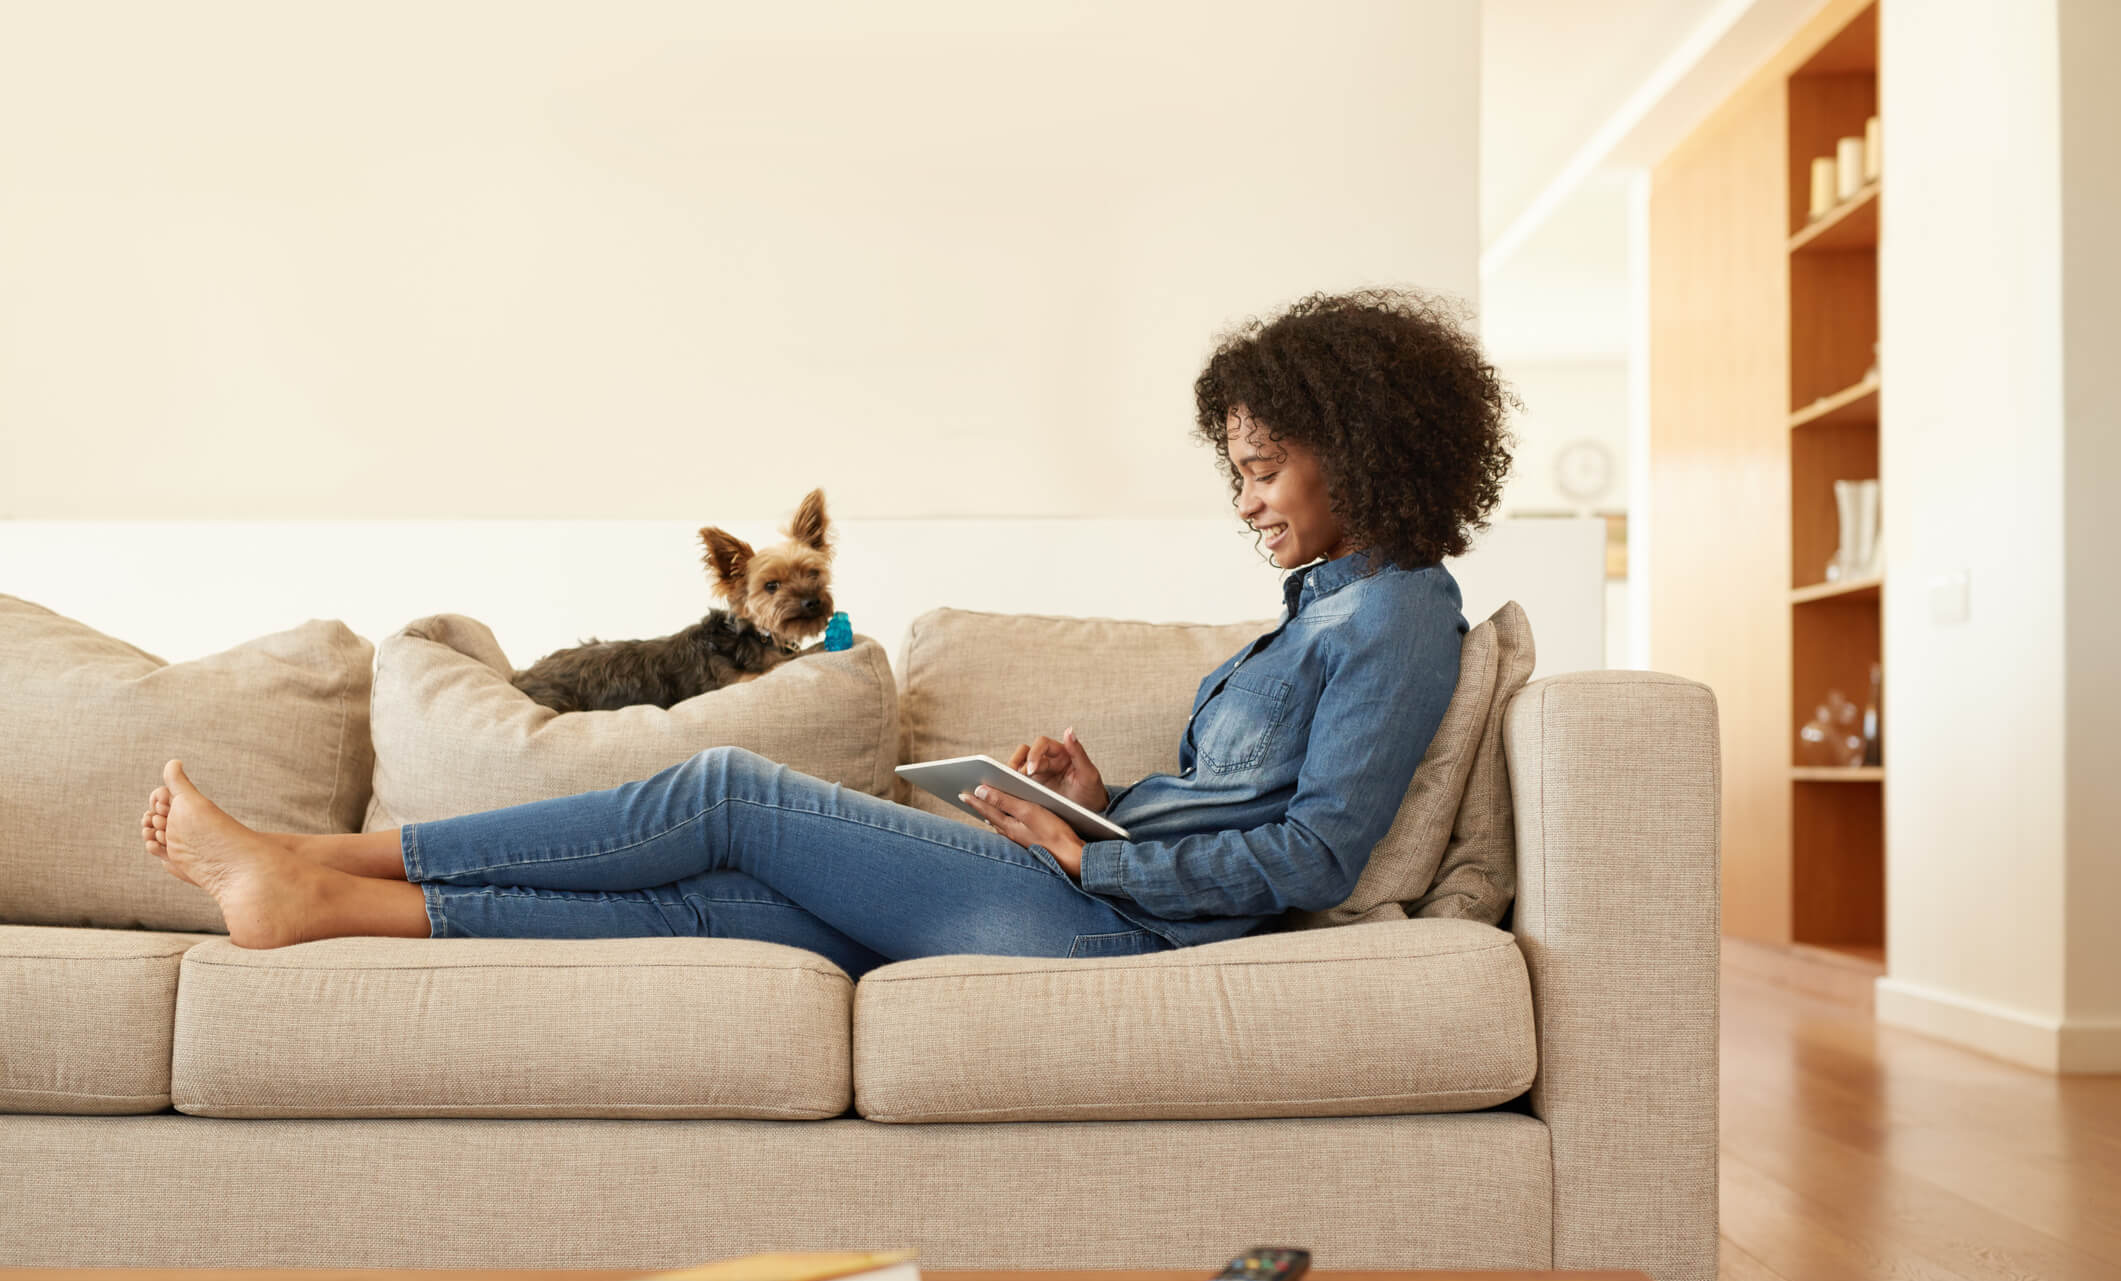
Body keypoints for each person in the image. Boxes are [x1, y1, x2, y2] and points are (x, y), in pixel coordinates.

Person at [140, 287, 1514, 977]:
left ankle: (315, 851)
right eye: (1234, 470)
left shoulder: (1399, 613)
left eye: (1265, 464)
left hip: (1111, 931)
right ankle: (317, 902)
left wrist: (1091, 868)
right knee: (720, 912)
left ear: (1363, 443)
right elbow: (1239, 804)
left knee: (724, 790)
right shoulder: (1318, 610)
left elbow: (1312, 854)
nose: (1246, 497)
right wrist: (1096, 807)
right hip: (1094, 888)